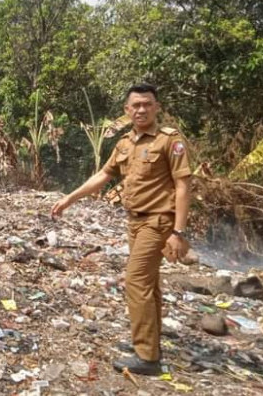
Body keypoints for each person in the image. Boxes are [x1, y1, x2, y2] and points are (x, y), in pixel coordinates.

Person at [50, 83, 191, 376]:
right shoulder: (125, 143)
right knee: (149, 285)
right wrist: (69, 199)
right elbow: (103, 175)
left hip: (159, 221)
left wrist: (178, 232)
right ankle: (151, 347)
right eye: (135, 105)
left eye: (147, 104)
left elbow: (183, 185)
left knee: (136, 281)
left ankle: (147, 358)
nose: (141, 109)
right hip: (135, 222)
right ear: (127, 110)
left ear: (157, 107)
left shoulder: (169, 141)